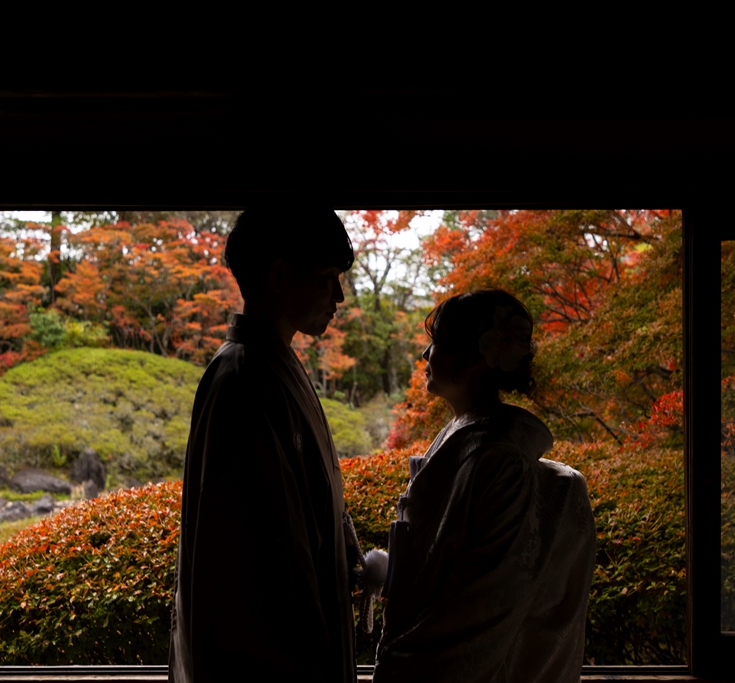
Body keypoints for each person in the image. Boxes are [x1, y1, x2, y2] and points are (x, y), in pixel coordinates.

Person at [169, 208, 357, 683]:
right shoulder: (242, 380)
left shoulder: (270, 366)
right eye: (328, 277)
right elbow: (264, 562)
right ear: (279, 274)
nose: (338, 295)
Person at [373, 289, 596, 683]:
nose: (426, 355)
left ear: (476, 357)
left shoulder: (499, 461)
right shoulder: (478, 446)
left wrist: (402, 660)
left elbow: (485, 606)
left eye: (437, 343)